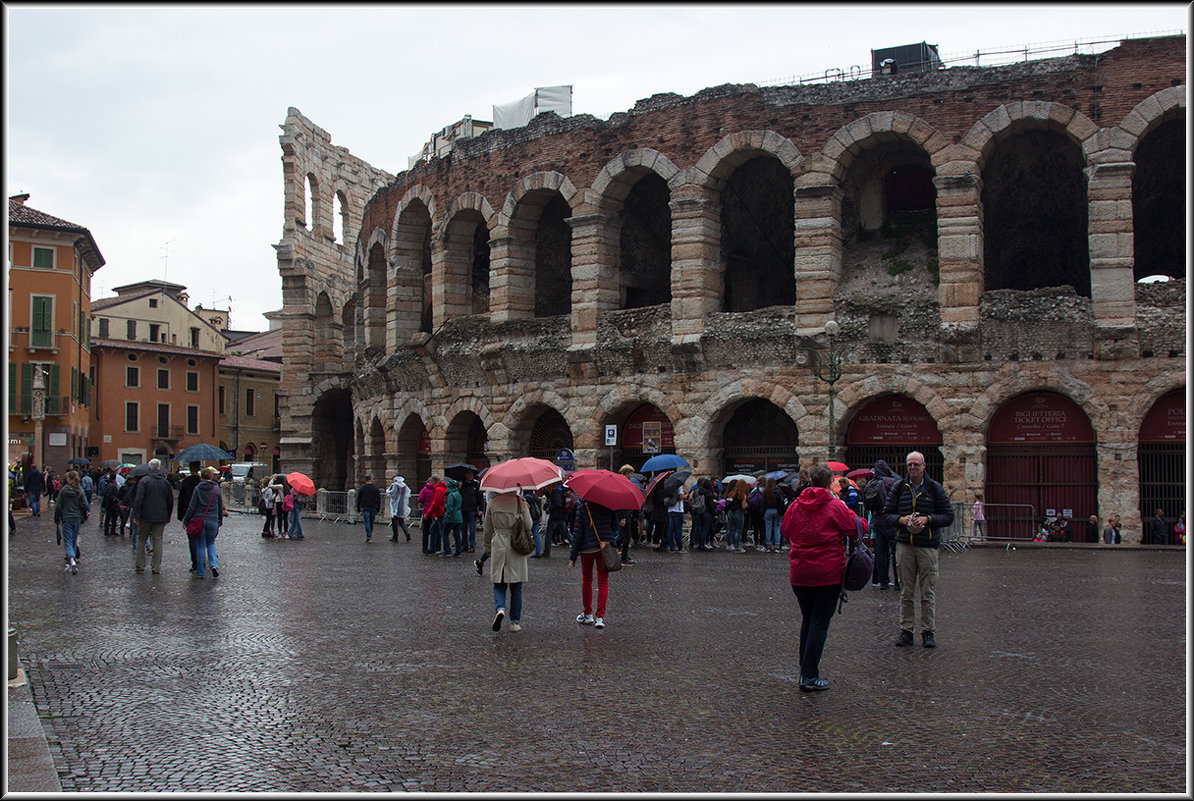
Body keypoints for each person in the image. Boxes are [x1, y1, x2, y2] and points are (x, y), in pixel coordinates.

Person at [782, 463, 866, 692]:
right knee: (819, 622)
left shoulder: (796, 505)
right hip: (827, 572)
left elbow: (785, 531)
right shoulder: (833, 505)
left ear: (810, 480)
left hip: (800, 572)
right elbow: (858, 527)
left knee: (808, 620)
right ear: (830, 482)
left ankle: (805, 671)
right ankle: (809, 675)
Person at [882, 450, 954, 649]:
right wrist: (902, 520)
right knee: (906, 592)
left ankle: (928, 631)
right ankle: (906, 631)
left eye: (916, 464)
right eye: (909, 465)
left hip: (927, 547)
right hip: (905, 545)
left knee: (927, 592)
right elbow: (887, 515)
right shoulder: (898, 488)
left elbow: (948, 516)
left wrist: (927, 520)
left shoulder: (934, 488)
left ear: (924, 466)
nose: (912, 468)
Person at [482, 489, 533, 632]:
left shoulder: (492, 503)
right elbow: (528, 526)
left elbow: (488, 529)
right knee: (516, 586)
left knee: (499, 582)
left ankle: (500, 608)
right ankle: (514, 622)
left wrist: (488, 548)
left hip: (498, 542)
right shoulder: (520, 503)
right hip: (515, 544)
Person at [568, 497, 620, 629]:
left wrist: (572, 557)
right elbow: (615, 526)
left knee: (587, 579)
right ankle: (600, 617)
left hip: (587, 548)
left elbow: (578, 532)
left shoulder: (583, 507)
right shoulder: (609, 506)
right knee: (603, 582)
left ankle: (588, 613)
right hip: (605, 547)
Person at [132, 459, 175, 575]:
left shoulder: (144, 481)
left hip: (145, 515)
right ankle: (156, 567)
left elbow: (139, 499)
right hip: (160, 515)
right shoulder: (165, 482)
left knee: (141, 538)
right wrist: (168, 514)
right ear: (159, 468)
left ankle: (140, 565)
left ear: (149, 468)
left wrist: (136, 514)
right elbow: (170, 500)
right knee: (157, 540)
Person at [182, 467, 226, 578]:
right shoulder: (216, 489)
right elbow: (220, 506)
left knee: (200, 545)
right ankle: (214, 564)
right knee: (211, 543)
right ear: (211, 476)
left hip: (199, 519)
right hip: (213, 520)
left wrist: (186, 520)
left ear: (201, 477)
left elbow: (192, 506)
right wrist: (220, 519)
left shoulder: (197, 489)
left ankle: (201, 572)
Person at [868, 460, 900, 590]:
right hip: (891, 521)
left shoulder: (871, 483)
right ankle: (898, 581)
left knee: (881, 553)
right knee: (896, 553)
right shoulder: (891, 482)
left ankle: (883, 582)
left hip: (877, 522)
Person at [54, 470, 89, 574]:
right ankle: (72, 561)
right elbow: (85, 505)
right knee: (74, 540)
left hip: (66, 518)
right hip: (77, 518)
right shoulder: (80, 491)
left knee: (68, 541)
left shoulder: (64, 491)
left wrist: (57, 518)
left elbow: (58, 506)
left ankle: (72, 561)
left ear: (69, 479)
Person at [177, 463, 203, 571]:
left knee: (192, 539)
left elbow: (181, 499)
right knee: (202, 540)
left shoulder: (186, 482)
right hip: (202, 513)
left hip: (190, 513)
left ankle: (195, 563)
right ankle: (202, 562)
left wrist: (181, 516)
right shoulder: (201, 482)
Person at [458, 470, 482, 553]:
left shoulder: (476, 484)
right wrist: (459, 487)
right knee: (463, 529)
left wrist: (481, 509)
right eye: (469, 474)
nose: (470, 476)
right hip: (463, 509)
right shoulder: (462, 485)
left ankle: (472, 546)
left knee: (472, 529)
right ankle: (464, 545)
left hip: (472, 509)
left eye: (472, 474)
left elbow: (480, 497)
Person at [723, 479, 749, 553]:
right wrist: (747, 505)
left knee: (730, 528)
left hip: (731, 512)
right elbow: (743, 506)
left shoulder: (732, 493)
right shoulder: (742, 495)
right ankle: (736, 545)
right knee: (738, 530)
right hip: (739, 512)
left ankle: (729, 544)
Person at [761, 477, 785, 553]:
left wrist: (763, 512)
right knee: (777, 528)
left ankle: (768, 545)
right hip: (777, 511)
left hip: (768, 510)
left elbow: (763, 503)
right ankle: (777, 546)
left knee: (768, 528)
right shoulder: (778, 491)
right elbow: (782, 501)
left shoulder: (765, 492)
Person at [440, 477, 463, 557]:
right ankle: (458, 551)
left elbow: (449, 508)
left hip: (452, 518)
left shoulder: (451, 495)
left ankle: (447, 550)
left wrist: (446, 518)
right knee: (457, 535)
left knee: (445, 534)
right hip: (459, 517)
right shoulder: (458, 494)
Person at [356, 474, 382, 543]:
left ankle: (369, 536)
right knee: (371, 522)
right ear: (370, 479)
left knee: (367, 522)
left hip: (365, 507)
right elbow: (378, 499)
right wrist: (378, 508)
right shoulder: (376, 488)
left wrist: (358, 508)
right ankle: (369, 535)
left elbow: (358, 499)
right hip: (373, 507)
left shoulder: (362, 488)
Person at [387, 475, 411, 542]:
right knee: (401, 521)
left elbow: (391, 492)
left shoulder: (394, 485)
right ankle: (407, 533)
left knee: (394, 523)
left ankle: (395, 537)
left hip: (395, 506)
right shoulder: (404, 485)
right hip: (402, 505)